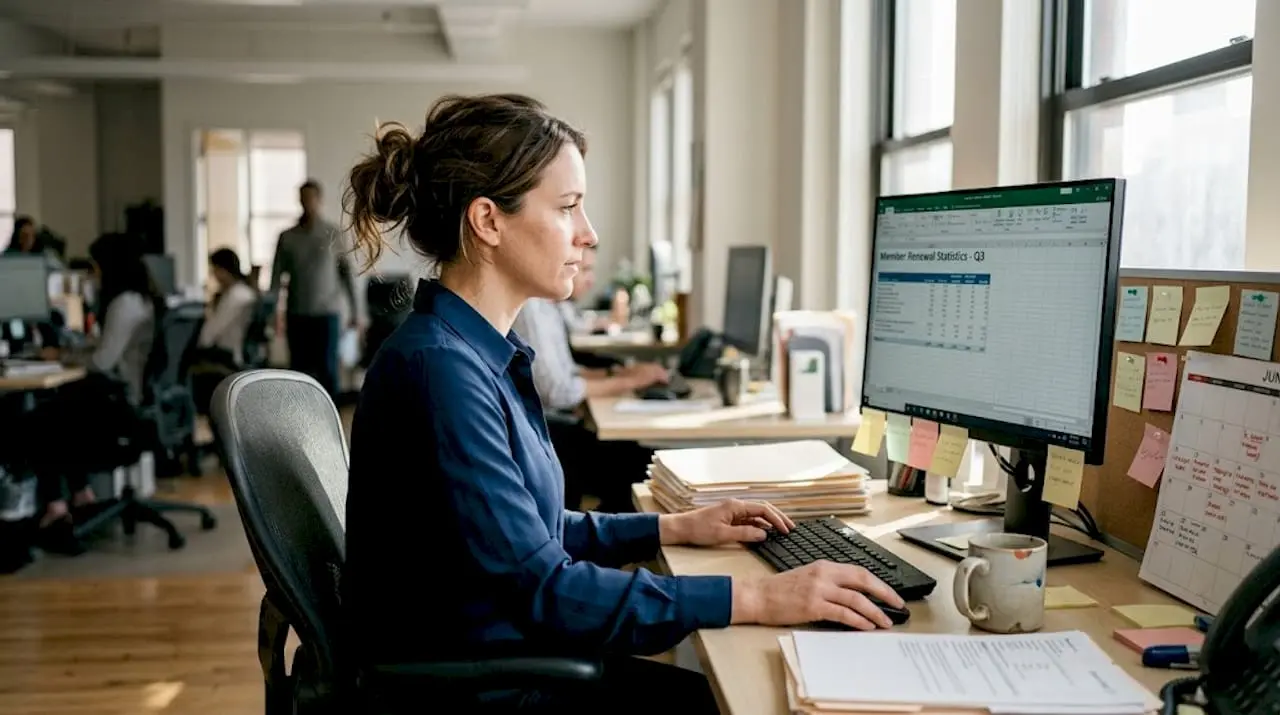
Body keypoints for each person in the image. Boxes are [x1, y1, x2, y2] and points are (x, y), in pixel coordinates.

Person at [341, 93, 903, 713]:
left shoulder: (473, 355)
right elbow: (545, 588)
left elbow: (536, 537)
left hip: (505, 659)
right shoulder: (440, 372)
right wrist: (759, 599)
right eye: (568, 207)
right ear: (488, 221)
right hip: (490, 687)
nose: (589, 234)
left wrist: (673, 527)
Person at [25, 233, 163, 553]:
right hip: (130, 401)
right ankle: (81, 494)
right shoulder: (139, 299)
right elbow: (108, 348)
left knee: (40, 421)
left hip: (120, 407)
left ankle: (57, 508)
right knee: (61, 408)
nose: (93, 273)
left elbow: (102, 360)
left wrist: (60, 356)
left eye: (95, 266)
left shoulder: (123, 302)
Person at [512, 246, 670, 512]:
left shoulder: (546, 307)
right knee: (646, 462)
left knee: (639, 453)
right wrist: (628, 382)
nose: (586, 277)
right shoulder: (531, 308)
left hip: (555, 424)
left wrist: (618, 375)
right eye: (580, 267)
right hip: (551, 431)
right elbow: (556, 391)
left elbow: (566, 372)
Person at [269, 179, 360, 398]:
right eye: (303, 199)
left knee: (328, 370)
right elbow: (276, 278)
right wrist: (274, 312)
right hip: (298, 312)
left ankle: (332, 419)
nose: (307, 203)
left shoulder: (333, 234)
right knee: (299, 371)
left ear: (319, 200)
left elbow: (347, 276)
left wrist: (357, 313)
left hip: (327, 313)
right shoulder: (288, 238)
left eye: (311, 198)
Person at [190, 248, 257, 412]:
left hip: (226, 358)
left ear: (223, 269)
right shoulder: (245, 292)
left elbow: (206, 337)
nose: (213, 275)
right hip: (240, 356)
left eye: (214, 270)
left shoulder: (234, 296)